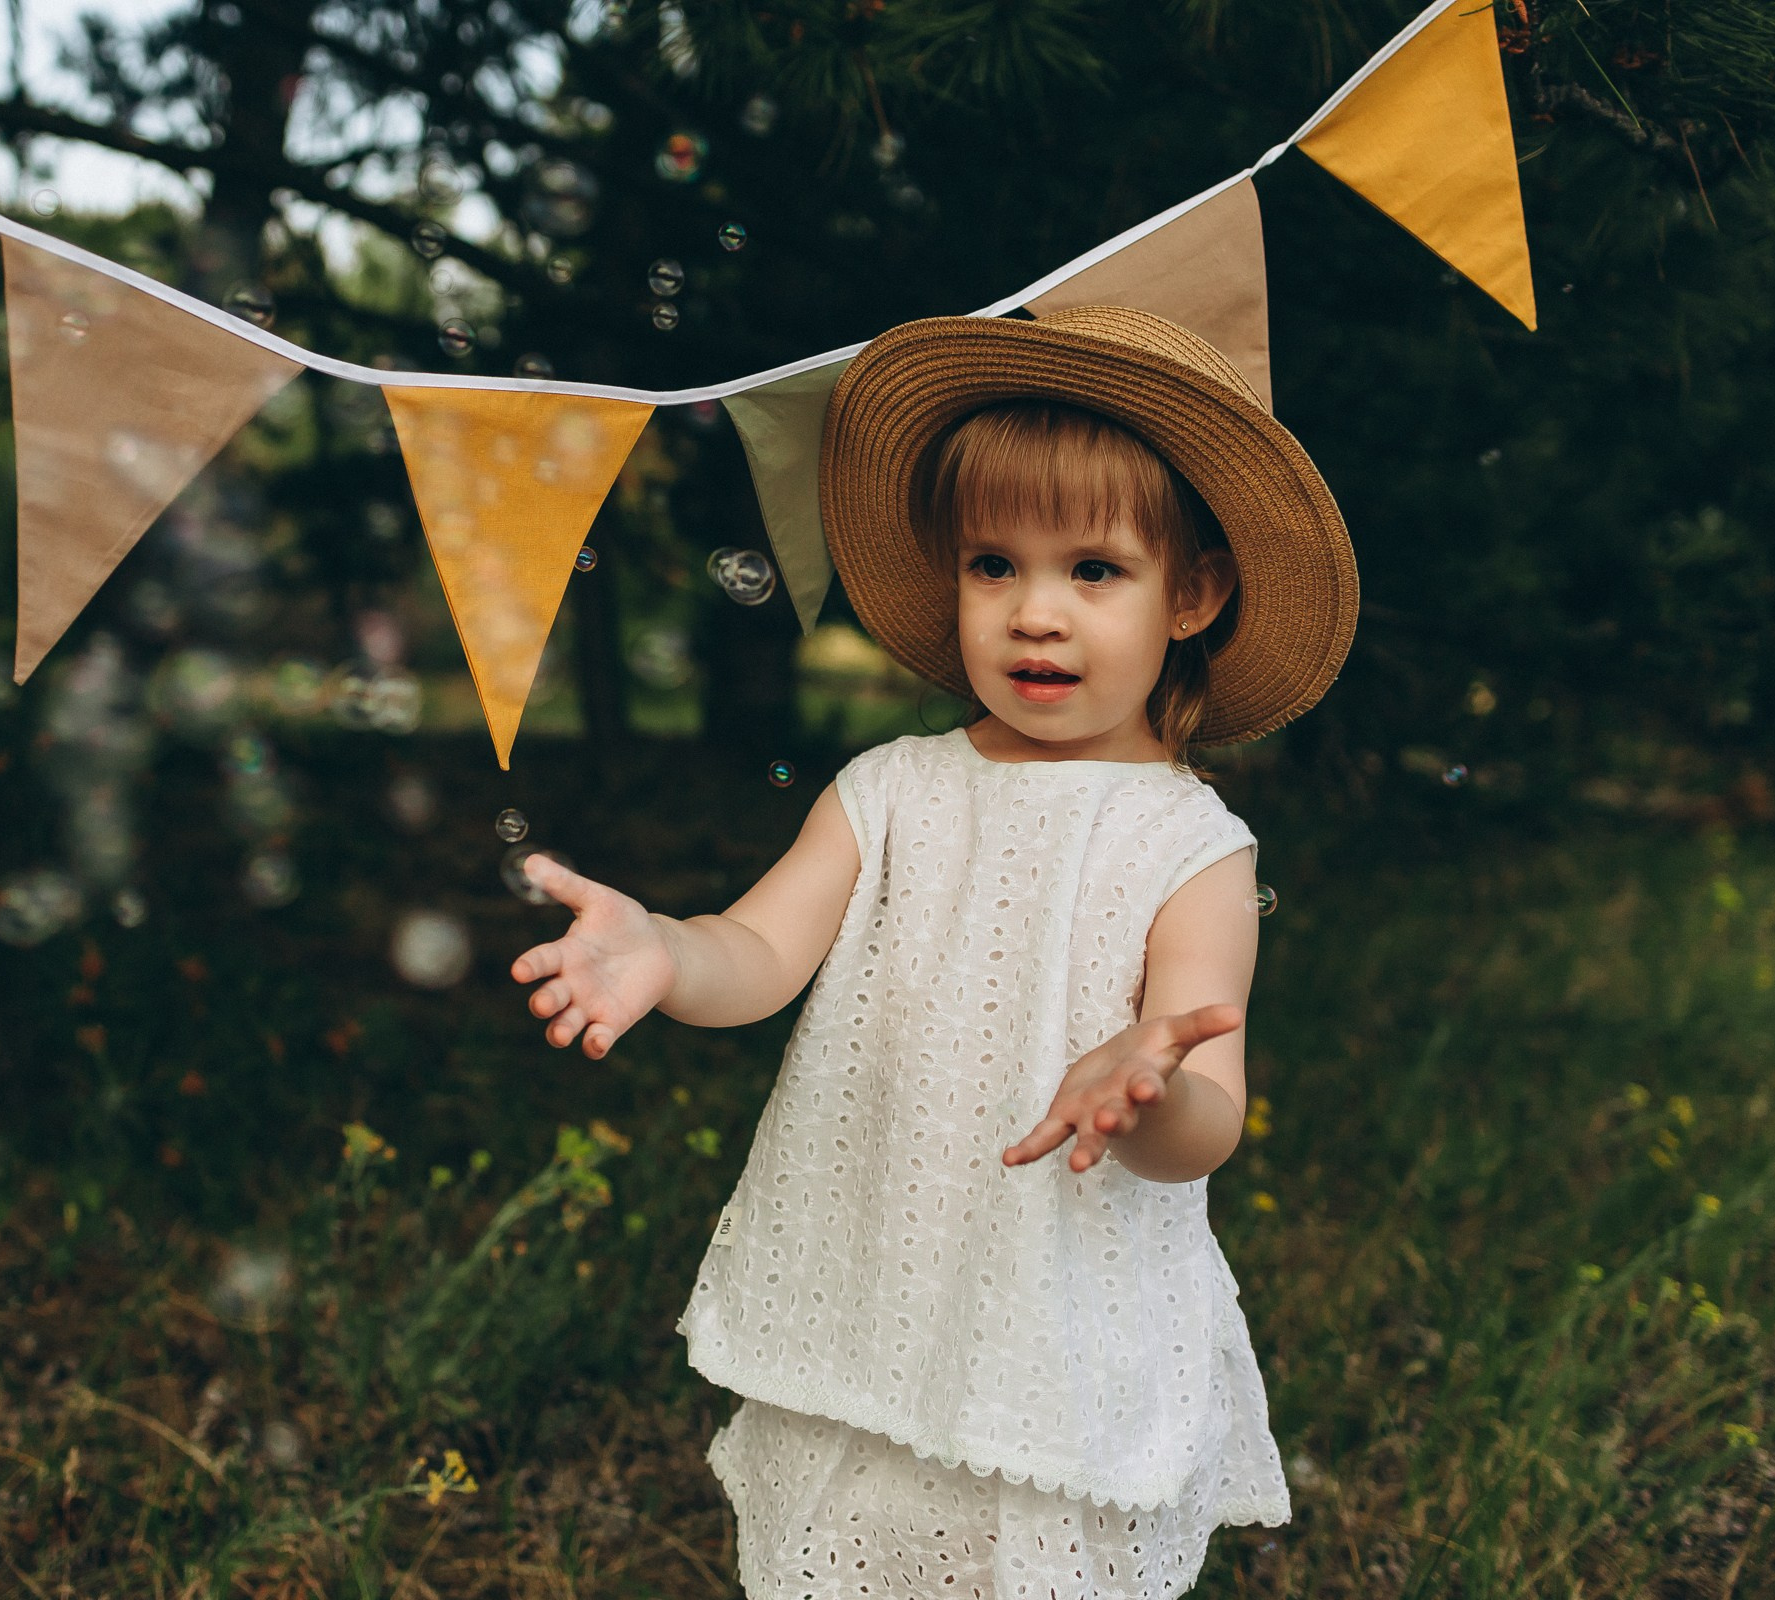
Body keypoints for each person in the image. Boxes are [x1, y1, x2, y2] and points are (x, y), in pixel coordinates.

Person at [509, 305, 1357, 1598]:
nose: (1036, 614)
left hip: (1061, 1305)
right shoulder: (889, 790)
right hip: (880, 1272)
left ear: (1191, 592)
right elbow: (761, 948)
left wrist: (1150, 1092)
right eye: (993, 565)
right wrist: (669, 954)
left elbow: (1209, 1120)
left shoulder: (1191, 846)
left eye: (1094, 571)